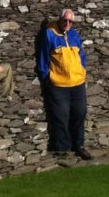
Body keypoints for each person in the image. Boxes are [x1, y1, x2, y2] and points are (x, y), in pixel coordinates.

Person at [36, 8, 91, 159]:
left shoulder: (74, 35)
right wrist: (47, 77)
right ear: (60, 19)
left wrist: (83, 70)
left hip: (77, 82)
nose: (67, 24)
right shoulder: (49, 34)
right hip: (59, 84)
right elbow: (43, 58)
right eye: (65, 20)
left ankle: (79, 145)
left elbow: (81, 55)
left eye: (71, 21)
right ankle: (62, 148)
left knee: (80, 113)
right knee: (61, 116)